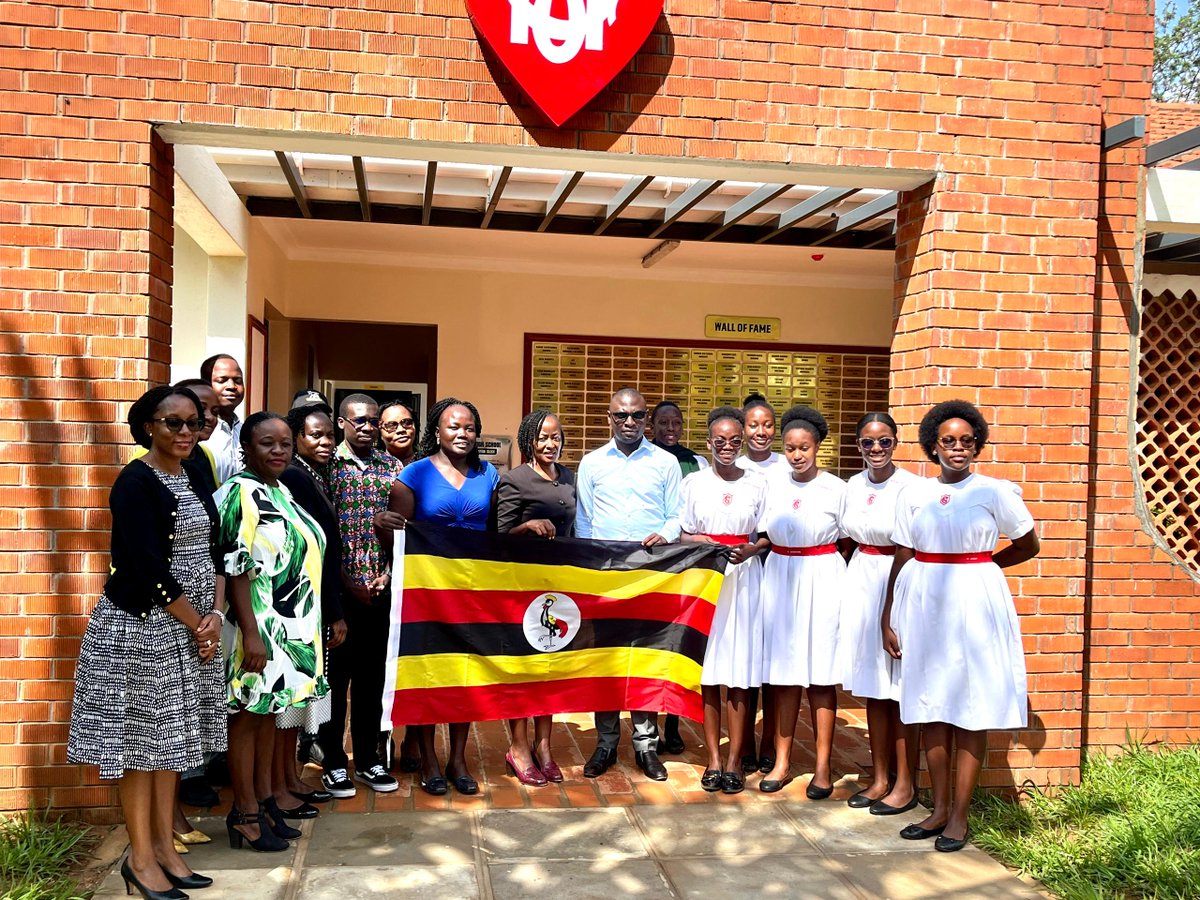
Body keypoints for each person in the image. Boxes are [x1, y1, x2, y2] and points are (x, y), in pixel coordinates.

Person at [68, 385, 223, 899]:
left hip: (191, 629)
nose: (184, 432)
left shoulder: (196, 473)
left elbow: (216, 552)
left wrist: (214, 616)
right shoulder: (134, 482)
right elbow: (145, 566)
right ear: (148, 426)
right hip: (142, 629)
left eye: (192, 423)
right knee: (141, 748)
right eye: (172, 422)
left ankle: (164, 847)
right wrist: (194, 620)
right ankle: (139, 857)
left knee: (173, 745)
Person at [882, 400, 1040, 852]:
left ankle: (960, 816)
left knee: (970, 709)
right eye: (948, 440)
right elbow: (902, 553)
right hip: (924, 599)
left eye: (966, 441)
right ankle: (937, 808)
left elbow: (1028, 543)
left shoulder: (994, 492)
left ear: (977, 445)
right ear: (933, 445)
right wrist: (887, 614)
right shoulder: (913, 494)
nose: (957, 448)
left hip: (975, 601)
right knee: (932, 705)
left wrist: (985, 565)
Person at [216, 412, 329, 852]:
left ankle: (264, 802)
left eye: (284, 443)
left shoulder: (279, 489)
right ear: (247, 447)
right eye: (268, 443)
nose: (278, 450)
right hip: (258, 629)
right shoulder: (238, 492)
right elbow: (235, 565)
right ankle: (243, 811)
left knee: (267, 718)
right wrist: (251, 632)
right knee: (246, 720)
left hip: (289, 629)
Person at [387, 398, 500, 795]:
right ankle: (429, 760)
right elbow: (396, 535)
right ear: (437, 431)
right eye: (454, 427)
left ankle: (457, 759)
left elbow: (494, 535)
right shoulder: (413, 474)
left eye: (469, 428)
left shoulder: (488, 475)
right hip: (427, 591)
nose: (462, 434)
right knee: (428, 674)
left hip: (472, 589)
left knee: (464, 675)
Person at [576, 388, 681, 783]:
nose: (629, 423)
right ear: (609, 418)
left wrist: (664, 534)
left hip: (651, 574)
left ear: (647, 418)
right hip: (605, 574)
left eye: (637, 415)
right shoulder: (592, 463)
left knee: (644, 661)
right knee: (605, 662)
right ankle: (605, 743)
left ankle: (645, 745)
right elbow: (584, 522)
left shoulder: (666, 462)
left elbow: (676, 517)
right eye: (621, 416)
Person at [757, 405, 850, 796]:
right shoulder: (773, 485)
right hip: (780, 575)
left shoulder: (837, 489)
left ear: (817, 448)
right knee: (784, 676)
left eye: (805, 448)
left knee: (821, 677)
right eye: (791, 448)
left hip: (822, 576)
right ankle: (781, 762)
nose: (797, 455)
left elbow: (849, 541)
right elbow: (763, 533)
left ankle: (823, 767)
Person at [679, 407, 769, 795]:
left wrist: (750, 550)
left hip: (745, 581)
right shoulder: (695, 484)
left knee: (739, 674)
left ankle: (735, 760)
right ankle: (713, 759)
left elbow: (766, 536)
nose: (728, 447)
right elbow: (683, 534)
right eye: (720, 440)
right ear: (709, 442)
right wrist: (700, 543)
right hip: (708, 580)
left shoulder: (759, 484)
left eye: (735, 440)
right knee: (710, 673)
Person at [318, 393, 403, 797]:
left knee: (372, 681)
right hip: (339, 591)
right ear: (341, 423)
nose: (368, 427)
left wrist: (386, 576)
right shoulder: (327, 466)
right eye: (360, 422)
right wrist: (344, 581)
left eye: (373, 421)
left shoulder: (393, 467)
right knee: (337, 681)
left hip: (380, 591)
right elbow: (321, 535)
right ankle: (334, 761)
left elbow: (401, 531)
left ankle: (368, 759)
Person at [837, 413, 921, 814]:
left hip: (897, 577)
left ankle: (906, 783)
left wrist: (891, 607)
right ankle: (881, 777)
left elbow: (910, 545)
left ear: (896, 442)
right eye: (868, 443)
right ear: (858, 446)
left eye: (884, 442)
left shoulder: (911, 487)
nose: (876, 450)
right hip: (861, 574)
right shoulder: (852, 485)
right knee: (873, 684)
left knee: (899, 686)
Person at [275, 396, 351, 812]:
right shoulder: (296, 477)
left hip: (312, 602)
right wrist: (336, 610)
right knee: (291, 701)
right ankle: (282, 783)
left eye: (329, 435)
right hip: (302, 605)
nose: (325, 442)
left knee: (299, 699)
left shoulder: (316, 474)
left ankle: (288, 779)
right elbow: (314, 550)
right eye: (314, 435)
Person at [493, 409, 575, 787]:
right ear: (528, 439)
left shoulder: (569, 478)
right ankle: (519, 747)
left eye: (556, 437)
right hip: (522, 588)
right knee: (523, 670)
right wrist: (526, 526)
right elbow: (498, 537)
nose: (550, 444)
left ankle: (545, 747)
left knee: (550, 670)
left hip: (558, 587)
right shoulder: (514, 480)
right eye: (543, 437)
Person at [649, 399, 706, 754]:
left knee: (676, 642)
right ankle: (648, 725)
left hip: (683, 561)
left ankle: (672, 722)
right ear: (651, 426)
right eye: (663, 423)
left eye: (676, 423)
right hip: (652, 558)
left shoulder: (695, 463)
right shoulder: (645, 456)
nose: (670, 429)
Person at [735, 393, 783, 774]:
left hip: (780, 567)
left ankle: (770, 742)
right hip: (745, 572)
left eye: (767, 424)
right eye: (753, 425)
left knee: (773, 663)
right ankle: (744, 744)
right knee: (746, 661)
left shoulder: (785, 466)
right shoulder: (732, 465)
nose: (760, 431)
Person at [200, 353, 245, 484]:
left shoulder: (245, 431)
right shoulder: (197, 432)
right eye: (222, 380)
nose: (232, 386)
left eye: (238, 381)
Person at [380, 400, 419, 467]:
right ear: (379, 433)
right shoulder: (369, 467)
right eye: (391, 425)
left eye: (407, 422)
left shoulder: (431, 465)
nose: (400, 430)